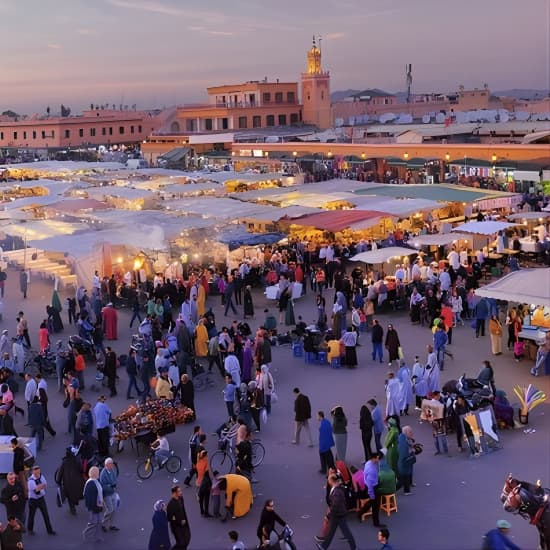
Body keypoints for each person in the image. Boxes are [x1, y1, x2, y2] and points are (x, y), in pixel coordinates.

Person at [315, 474, 357, 550]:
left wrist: (329, 515)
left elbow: (335, 505)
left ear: (331, 481)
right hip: (339, 513)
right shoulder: (337, 488)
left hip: (338, 514)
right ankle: (323, 547)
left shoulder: (337, 491)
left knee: (346, 532)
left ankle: (354, 548)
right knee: (332, 531)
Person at [356, 452, 386, 528]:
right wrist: (371, 495)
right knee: (376, 506)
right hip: (373, 487)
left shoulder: (368, 463)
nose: (379, 460)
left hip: (370, 484)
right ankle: (376, 523)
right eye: (378, 458)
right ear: (374, 458)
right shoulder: (372, 470)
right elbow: (370, 485)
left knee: (372, 502)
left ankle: (360, 513)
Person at [27, 465, 56, 536]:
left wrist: (40, 486)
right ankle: (30, 529)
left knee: (46, 515)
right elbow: (36, 490)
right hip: (33, 500)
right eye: (36, 473)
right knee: (31, 515)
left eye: (39, 472)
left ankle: (50, 530)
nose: (38, 475)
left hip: (41, 499)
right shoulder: (30, 481)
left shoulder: (41, 476)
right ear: (32, 472)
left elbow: (45, 485)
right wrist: (41, 486)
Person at [55, 447, 85, 515]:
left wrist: (58, 481)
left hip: (67, 483)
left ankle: (72, 508)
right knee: (75, 493)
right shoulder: (77, 460)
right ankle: (75, 502)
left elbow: (60, 473)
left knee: (69, 495)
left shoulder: (64, 462)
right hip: (77, 482)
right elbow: (81, 469)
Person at [83, 466, 104, 543]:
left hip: (97, 507)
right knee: (94, 522)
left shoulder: (95, 481)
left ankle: (97, 537)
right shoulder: (91, 484)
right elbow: (90, 499)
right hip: (94, 508)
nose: (99, 473)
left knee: (99, 522)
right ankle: (86, 534)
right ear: (95, 474)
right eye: (98, 472)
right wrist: (95, 508)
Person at [167, 485, 191, 549]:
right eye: (179, 491)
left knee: (186, 540)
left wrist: (184, 520)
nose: (181, 492)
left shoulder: (181, 498)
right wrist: (178, 521)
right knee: (181, 543)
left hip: (184, 524)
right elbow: (170, 518)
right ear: (174, 493)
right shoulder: (170, 505)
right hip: (176, 528)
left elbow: (183, 510)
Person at [100, 457, 119, 532]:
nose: (112, 466)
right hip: (107, 494)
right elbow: (103, 486)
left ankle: (111, 525)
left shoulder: (112, 470)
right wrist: (111, 486)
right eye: (111, 464)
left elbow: (115, 479)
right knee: (110, 509)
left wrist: (112, 485)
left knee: (113, 509)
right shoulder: (103, 474)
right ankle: (103, 524)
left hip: (113, 492)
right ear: (106, 465)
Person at [396, 425, 415, 495]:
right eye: (410, 432)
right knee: (402, 479)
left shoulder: (403, 438)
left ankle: (407, 490)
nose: (411, 433)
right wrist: (411, 452)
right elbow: (404, 453)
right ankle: (391, 491)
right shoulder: (403, 441)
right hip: (403, 462)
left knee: (405, 476)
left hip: (403, 462)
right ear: (406, 432)